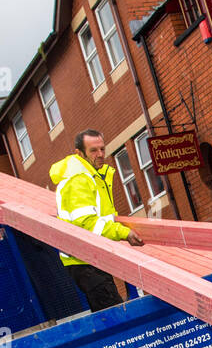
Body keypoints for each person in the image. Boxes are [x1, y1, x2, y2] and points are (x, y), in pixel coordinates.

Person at [50, 128, 145, 311]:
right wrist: (124, 233)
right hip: (83, 259)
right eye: (93, 150)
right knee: (114, 316)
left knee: (109, 312)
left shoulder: (92, 175)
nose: (100, 154)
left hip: (91, 256)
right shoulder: (78, 179)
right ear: (79, 153)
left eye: (102, 149)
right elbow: (87, 223)